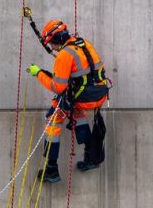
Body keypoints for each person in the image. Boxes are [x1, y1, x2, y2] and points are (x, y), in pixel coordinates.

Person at [27, 19, 111, 183]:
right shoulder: (83, 43)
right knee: (76, 112)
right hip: (99, 94)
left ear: (57, 39)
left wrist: (38, 73)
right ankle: (90, 157)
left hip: (84, 97)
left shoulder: (65, 55)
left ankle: (51, 169)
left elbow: (58, 87)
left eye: (51, 43)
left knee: (53, 121)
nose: (51, 47)